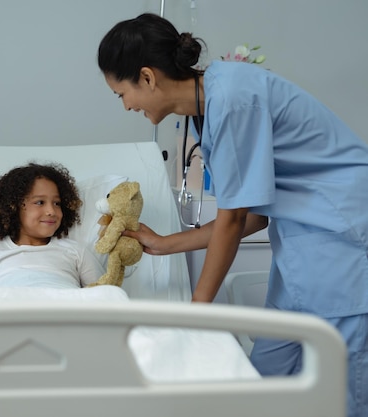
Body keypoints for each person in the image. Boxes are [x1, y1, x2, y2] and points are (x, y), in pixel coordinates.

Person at [98, 12, 368, 417]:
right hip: (300, 246)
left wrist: (197, 314)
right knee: (266, 374)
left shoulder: (234, 98)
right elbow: (252, 216)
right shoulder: (209, 107)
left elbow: (235, 218)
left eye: (122, 94)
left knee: (342, 387)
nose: (126, 106)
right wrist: (162, 244)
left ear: (148, 77)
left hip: (339, 238)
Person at [0, 163, 103, 301]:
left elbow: (105, 295)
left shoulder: (75, 251)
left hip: (64, 314)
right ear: (13, 207)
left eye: (57, 203)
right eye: (40, 202)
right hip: (13, 315)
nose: (51, 211)